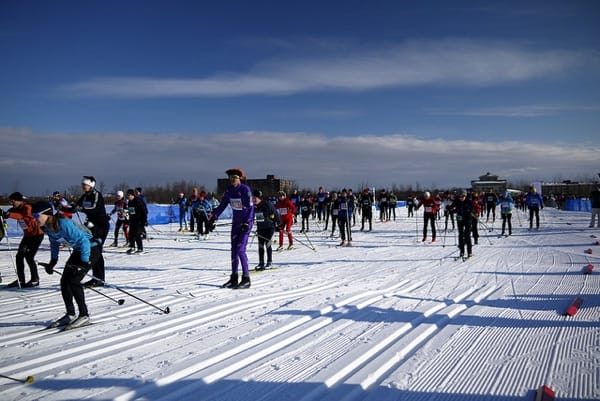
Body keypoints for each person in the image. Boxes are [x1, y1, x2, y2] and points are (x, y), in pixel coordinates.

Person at [33, 201, 101, 329]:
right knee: (64, 281)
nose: (34, 219)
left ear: (46, 214)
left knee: (74, 280)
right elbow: (54, 242)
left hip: (91, 249)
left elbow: (84, 241)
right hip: (79, 250)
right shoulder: (47, 227)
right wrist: (53, 261)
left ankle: (84, 315)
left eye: (36, 216)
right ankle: (70, 314)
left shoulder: (63, 223)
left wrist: (84, 261)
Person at [208, 168, 255, 289]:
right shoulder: (229, 190)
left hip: (246, 224)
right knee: (233, 251)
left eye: (234, 178)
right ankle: (234, 278)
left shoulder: (245, 189)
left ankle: (246, 278)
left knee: (240, 250)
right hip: (236, 223)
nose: (232, 180)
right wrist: (213, 218)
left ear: (240, 179)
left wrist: (247, 222)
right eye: (230, 178)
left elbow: (251, 208)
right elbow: (222, 205)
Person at [3, 192, 44, 288]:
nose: (11, 203)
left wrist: (10, 214)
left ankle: (35, 279)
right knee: (19, 256)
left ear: (19, 200)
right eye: (10, 201)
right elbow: (11, 212)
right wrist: (5, 215)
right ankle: (20, 280)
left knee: (29, 257)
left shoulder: (27, 207)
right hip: (28, 236)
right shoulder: (16, 208)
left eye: (13, 201)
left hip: (37, 235)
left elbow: (24, 217)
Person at [76, 176, 109, 287]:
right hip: (91, 226)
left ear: (90, 185)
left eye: (84, 185)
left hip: (101, 226)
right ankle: (98, 278)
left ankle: (98, 278)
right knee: (95, 251)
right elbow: (77, 205)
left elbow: (94, 208)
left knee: (96, 250)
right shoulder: (85, 196)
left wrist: (82, 209)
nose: (82, 187)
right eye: (82, 184)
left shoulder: (96, 195)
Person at [253, 190, 280, 270]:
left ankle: (269, 262)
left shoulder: (267, 204)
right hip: (260, 228)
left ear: (259, 198)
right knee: (260, 246)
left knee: (268, 245)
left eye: (255, 198)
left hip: (269, 227)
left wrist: (278, 224)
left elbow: (275, 213)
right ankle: (261, 263)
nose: (254, 200)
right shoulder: (254, 206)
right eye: (253, 198)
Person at [448, 189, 476, 258]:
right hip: (460, 219)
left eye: (463, 196)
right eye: (460, 197)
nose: (461, 198)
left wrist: (471, 211)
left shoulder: (469, 201)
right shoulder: (457, 201)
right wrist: (449, 208)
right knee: (460, 235)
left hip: (467, 219)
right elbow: (452, 207)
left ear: (465, 196)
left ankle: (469, 252)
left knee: (467, 235)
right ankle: (462, 252)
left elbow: (473, 209)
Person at [126, 188, 148, 254]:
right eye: (127, 195)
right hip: (132, 220)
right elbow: (131, 212)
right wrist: (128, 219)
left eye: (129, 195)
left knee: (137, 234)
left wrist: (144, 221)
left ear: (132, 195)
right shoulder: (129, 202)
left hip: (139, 220)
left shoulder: (138, 201)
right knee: (131, 234)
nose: (128, 197)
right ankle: (132, 247)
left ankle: (140, 248)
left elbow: (144, 211)